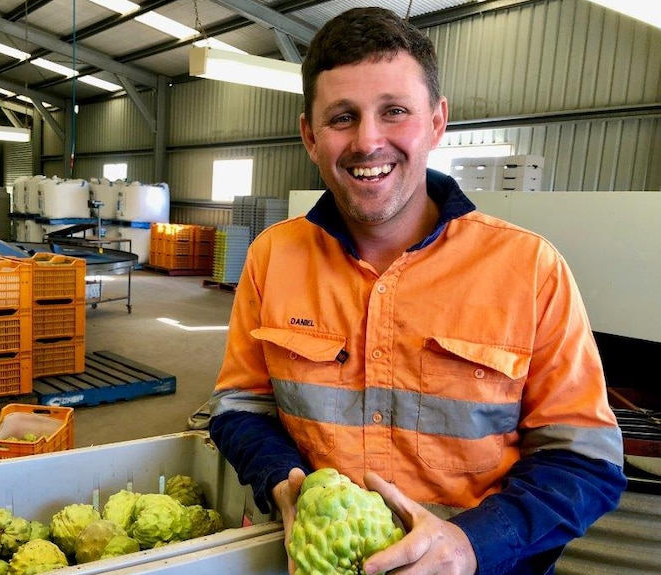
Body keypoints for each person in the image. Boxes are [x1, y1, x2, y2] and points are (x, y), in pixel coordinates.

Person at [207, 6, 626, 575]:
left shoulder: (530, 269)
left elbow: (584, 462)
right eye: (342, 117)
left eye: (395, 111)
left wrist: (470, 545)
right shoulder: (273, 258)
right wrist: (283, 483)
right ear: (310, 134)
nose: (368, 141)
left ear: (436, 122)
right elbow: (240, 408)